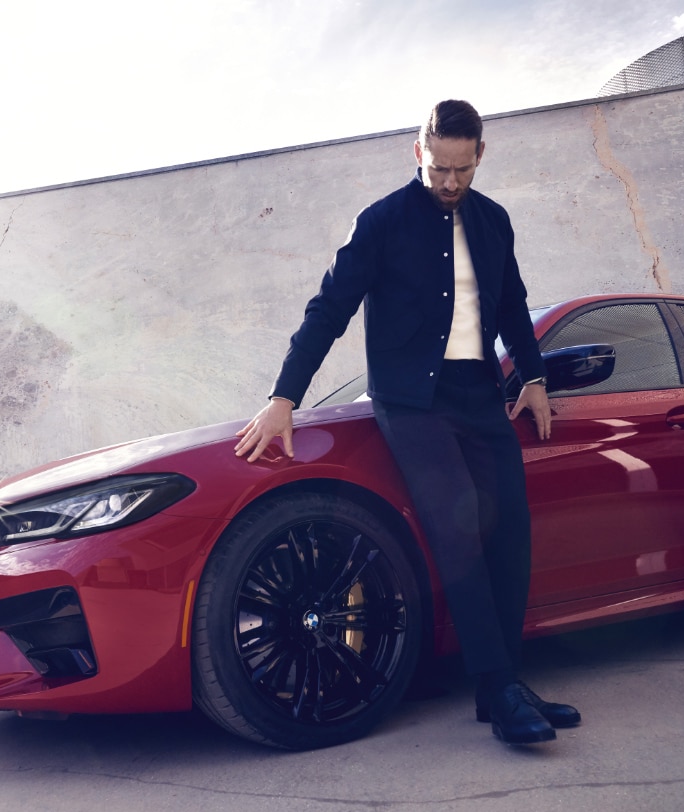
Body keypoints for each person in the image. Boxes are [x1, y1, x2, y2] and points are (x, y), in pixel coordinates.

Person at [234, 99, 580, 746]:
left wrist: (532, 378)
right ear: (417, 152)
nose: (449, 183)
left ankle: (501, 683)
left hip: (480, 394)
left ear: (480, 155)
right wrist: (285, 396)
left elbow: (512, 304)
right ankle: (500, 687)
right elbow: (328, 308)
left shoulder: (493, 220)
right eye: (438, 168)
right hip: (412, 403)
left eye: (461, 169)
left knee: (510, 533)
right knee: (460, 533)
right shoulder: (381, 223)